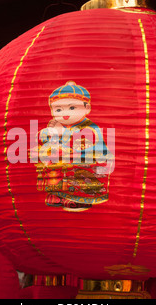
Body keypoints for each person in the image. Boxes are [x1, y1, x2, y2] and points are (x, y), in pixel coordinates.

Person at [35, 81, 113, 212]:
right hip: (65, 160)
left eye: (72, 108)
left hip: (87, 161)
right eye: (58, 109)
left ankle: (78, 199)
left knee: (76, 170)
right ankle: (58, 195)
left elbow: (85, 148)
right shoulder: (58, 125)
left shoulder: (90, 128)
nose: (65, 113)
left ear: (87, 108)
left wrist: (65, 148)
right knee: (52, 168)